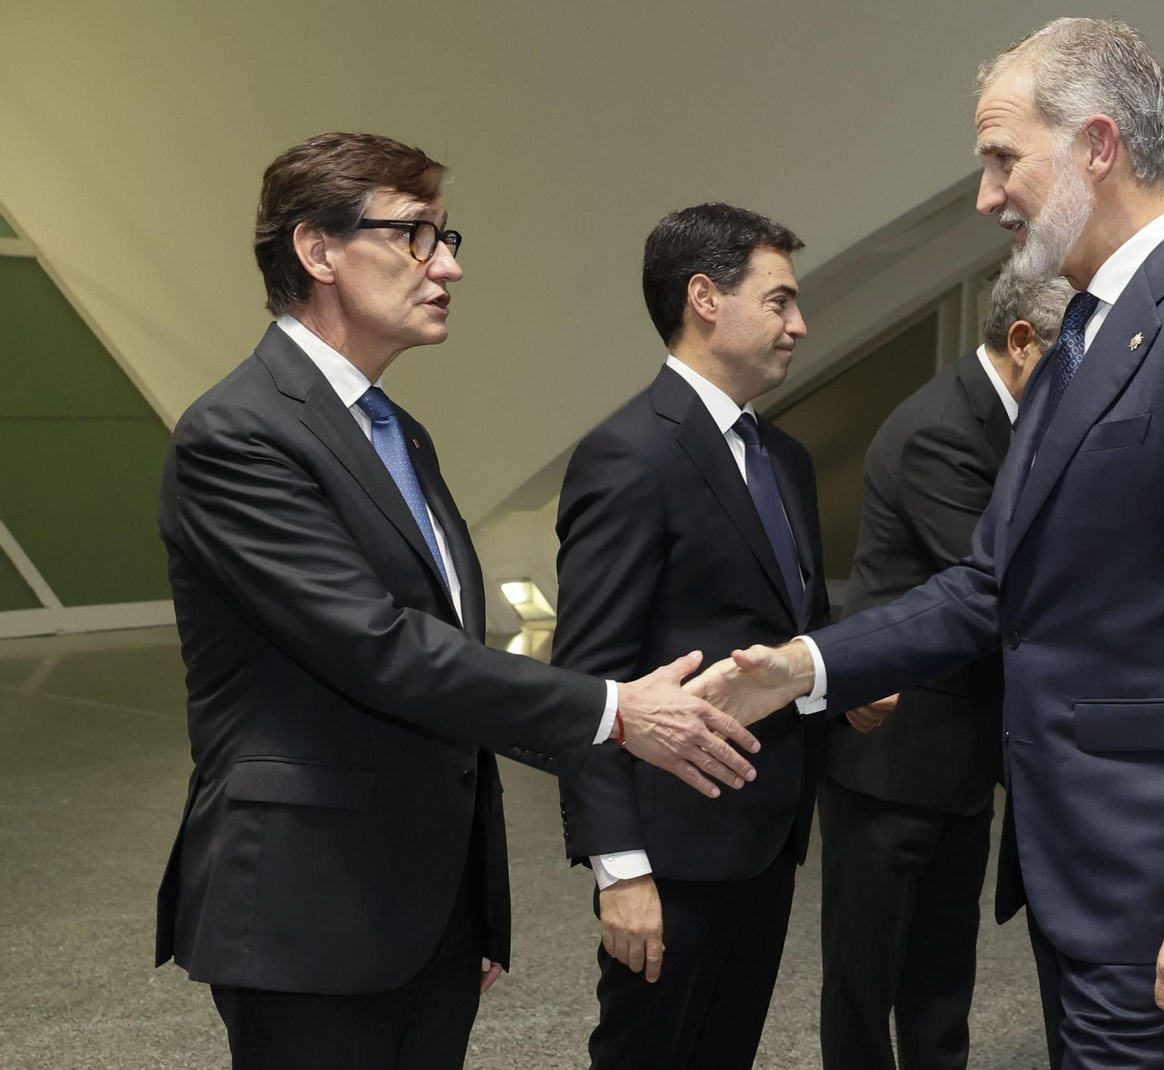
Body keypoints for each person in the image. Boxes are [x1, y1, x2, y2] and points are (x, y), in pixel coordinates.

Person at [690, 18, 1164, 1070]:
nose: (986, 195)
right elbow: (990, 583)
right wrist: (800, 667)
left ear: (1096, 145)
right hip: (1076, 870)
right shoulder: (1085, 331)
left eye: (1002, 159)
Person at [156, 134, 760, 1070]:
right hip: (309, 913)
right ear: (318, 250)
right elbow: (379, 648)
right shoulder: (238, 434)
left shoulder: (401, 434)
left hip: (424, 911)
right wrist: (614, 709)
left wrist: (469, 904)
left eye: (445, 236)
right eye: (416, 237)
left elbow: (442, 664)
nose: (449, 265)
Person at [551, 203, 831, 1070]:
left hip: (765, 838)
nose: (800, 323)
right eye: (780, 300)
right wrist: (620, 870)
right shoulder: (630, 455)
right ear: (705, 298)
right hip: (669, 852)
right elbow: (587, 685)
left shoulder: (784, 457)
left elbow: (792, 629)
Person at [818, 269, 1071, 1070]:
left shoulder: (1010, 419)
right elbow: (1000, 585)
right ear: (1024, 342)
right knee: (865, 975)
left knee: (941, 971)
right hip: (893, 751)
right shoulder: (941, 426)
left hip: (958, 756)